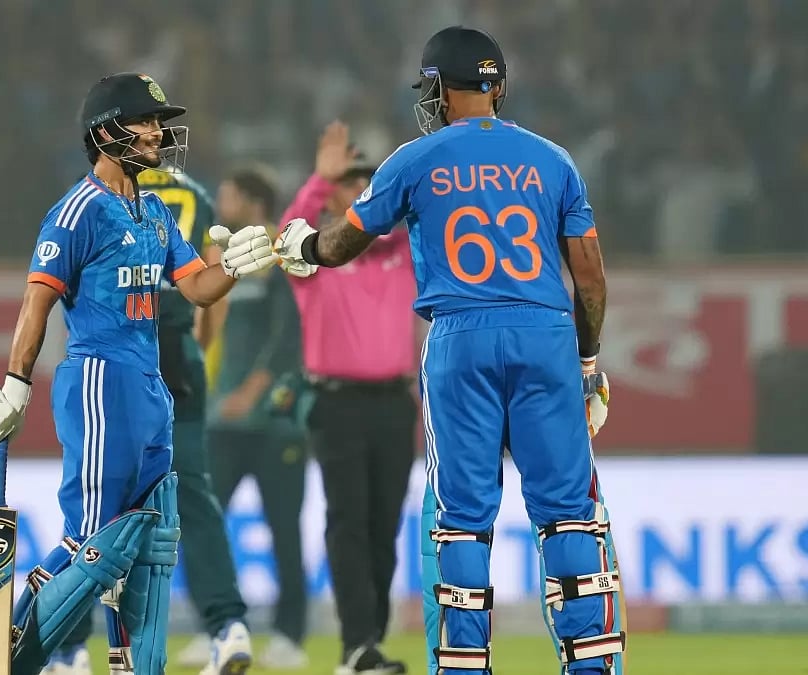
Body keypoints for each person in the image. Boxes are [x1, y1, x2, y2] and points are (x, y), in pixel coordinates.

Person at [274, 26, 621, 675]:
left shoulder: (414, 159)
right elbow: (592, 277)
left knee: (463, 517)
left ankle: (464, 664)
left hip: (460, 337)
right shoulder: (553, 160)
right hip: (546, 333)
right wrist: (587, 359)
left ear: (438, 88)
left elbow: (347, 242)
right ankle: (589, 664)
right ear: (499, 87)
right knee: (569, 513)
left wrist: (303, 248)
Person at [0, 72, 278, 675]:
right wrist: (15, 386)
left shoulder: (155, 211)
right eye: (146, 121)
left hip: (152, 387)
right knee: (93, 545)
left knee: (153, 543)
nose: (160, 132)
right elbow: (37, 301)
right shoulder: (77, 211)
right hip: (100, 384)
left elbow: (198, 288)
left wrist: (233, 264)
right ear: (106, 133)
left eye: (160, 121)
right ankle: (1, 657)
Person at [47, 166, 257, 675]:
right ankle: (226, 626)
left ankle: (69, 644)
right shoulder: (193, 190)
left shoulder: (92, 196)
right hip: (175, 357)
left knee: (94, 504)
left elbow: (62, 287)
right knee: (191, 497)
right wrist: (195, 352)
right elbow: (210, 290)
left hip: (117, 353)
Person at [277, 123, 417, 675]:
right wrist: (318, 179)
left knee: (383, 528)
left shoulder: (403, 251)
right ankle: (356, 647)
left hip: (393, 404)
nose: (361, 192)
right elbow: (288, 235)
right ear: (335, 195)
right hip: (336, 405)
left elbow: (431, 216)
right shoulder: (316, 258)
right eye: (351, 184)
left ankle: (368, 646)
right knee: (349, 523)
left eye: (369, 184)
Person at [208, 167, 310, 670]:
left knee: (284, 530)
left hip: (274, 423)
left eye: (226, 194)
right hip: (221, 422)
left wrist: (252, 391)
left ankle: (290, 635)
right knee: (205, 523)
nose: (219, 202)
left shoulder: (281, 254)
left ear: (252, 202)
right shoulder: (226, 257)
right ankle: (222, 628)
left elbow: (289, 335)